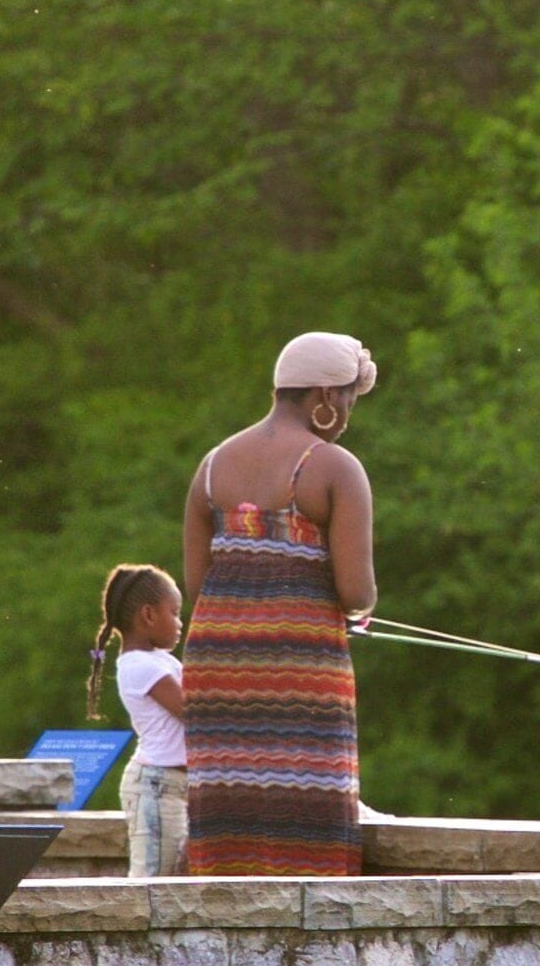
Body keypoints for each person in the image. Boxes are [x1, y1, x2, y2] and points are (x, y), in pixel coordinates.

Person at [177, 331, 378, 876]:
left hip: (217, 671)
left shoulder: (213, 466)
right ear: (323, 396)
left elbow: (200, 588)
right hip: (300, 671)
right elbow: (356, 592)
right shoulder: (335, 468)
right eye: (348, 400)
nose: (348, 413)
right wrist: (361, 608)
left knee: (230, 818)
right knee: (304, 826)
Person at [90, 563, 191, 879]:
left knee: (176, 874)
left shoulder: (160, 659)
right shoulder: (138, 665)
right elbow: (192, 710)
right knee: (152, 881)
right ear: (148, 615)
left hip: (175, 785)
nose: (180, 622)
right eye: (174, 613)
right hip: (157, 784)